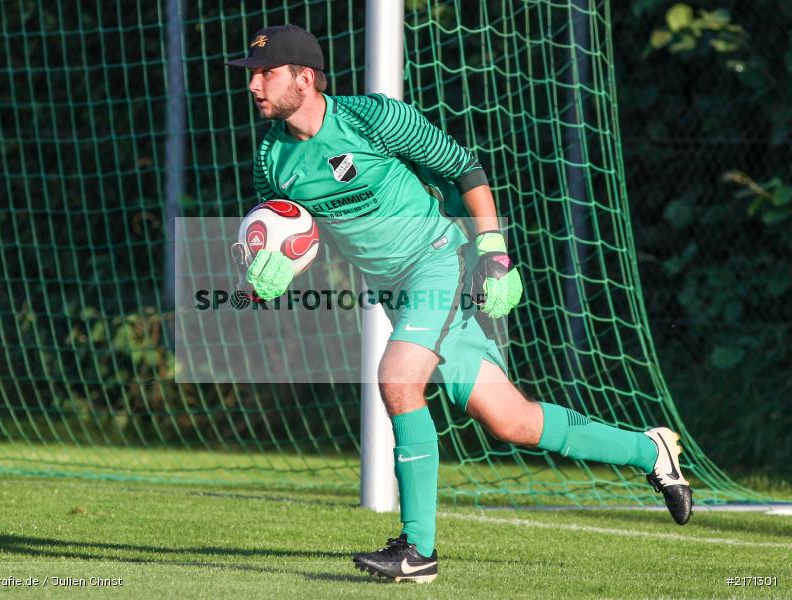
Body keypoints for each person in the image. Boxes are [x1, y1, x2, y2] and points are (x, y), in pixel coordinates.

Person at [227, 24, 692, 584]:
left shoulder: (372, 117)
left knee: (397, 380)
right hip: (396, 295)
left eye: (266, 73)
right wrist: (266, 278)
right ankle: (650, 452)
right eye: (252, 75)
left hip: (439, 262)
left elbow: (463, 167)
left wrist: (494, 250)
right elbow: (291, 235)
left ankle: (417, 550)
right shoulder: (271, 159)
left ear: (304, 78)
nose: (253, 84)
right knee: (513, 421)